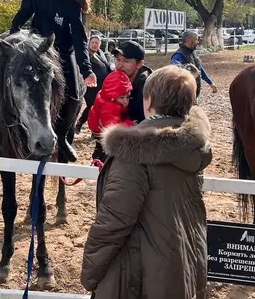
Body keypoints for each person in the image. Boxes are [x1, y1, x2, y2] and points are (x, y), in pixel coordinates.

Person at [81, 65, 212, 299]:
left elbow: (114, 221)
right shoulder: (193, 147)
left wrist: (90, 272)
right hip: (184, 267)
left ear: (148, 101)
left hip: (138, 275)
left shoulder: (133, 154)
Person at [10, 0, 97, 162]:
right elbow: (23, 14)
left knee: (75, 94)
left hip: (64, 50)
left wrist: (86, 70)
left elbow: (79, 38)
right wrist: (13, 34)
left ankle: (64, 136)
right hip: (38, 46)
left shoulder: (73, 0)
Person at [87, 70, 133, 163]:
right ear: (111, 96)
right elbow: (112, 128)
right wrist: (129, 123)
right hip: (104, 142)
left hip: (100, 138)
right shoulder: (109, 107)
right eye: (121, 97)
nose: (125, 101)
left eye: (127, 97)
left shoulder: (107, 99)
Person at [77, 34, 113, 132]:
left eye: (96, 43)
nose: (94, 44)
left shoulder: (100, 53)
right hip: (91, 86)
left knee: (100, 107)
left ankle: (95, 128)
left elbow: (106, 64)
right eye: (92, 42)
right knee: (91, 106)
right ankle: (80, 123)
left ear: (100, 44)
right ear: (89, 43)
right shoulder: (86, 55)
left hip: (102, 85)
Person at [112, 40, 152, 123]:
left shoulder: (147, 86)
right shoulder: (115, 78)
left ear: (140, 64)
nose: (120, 65)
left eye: (126, 61)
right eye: (118, 59)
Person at [171, 30, 218, 98]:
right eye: (196, 40)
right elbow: (174, 74)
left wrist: (211, 83)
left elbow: (200, 69)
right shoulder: (178, 55)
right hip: (183, 95)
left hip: (194, 93)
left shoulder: (193, 53)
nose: (198, 42)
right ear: (190, 41)